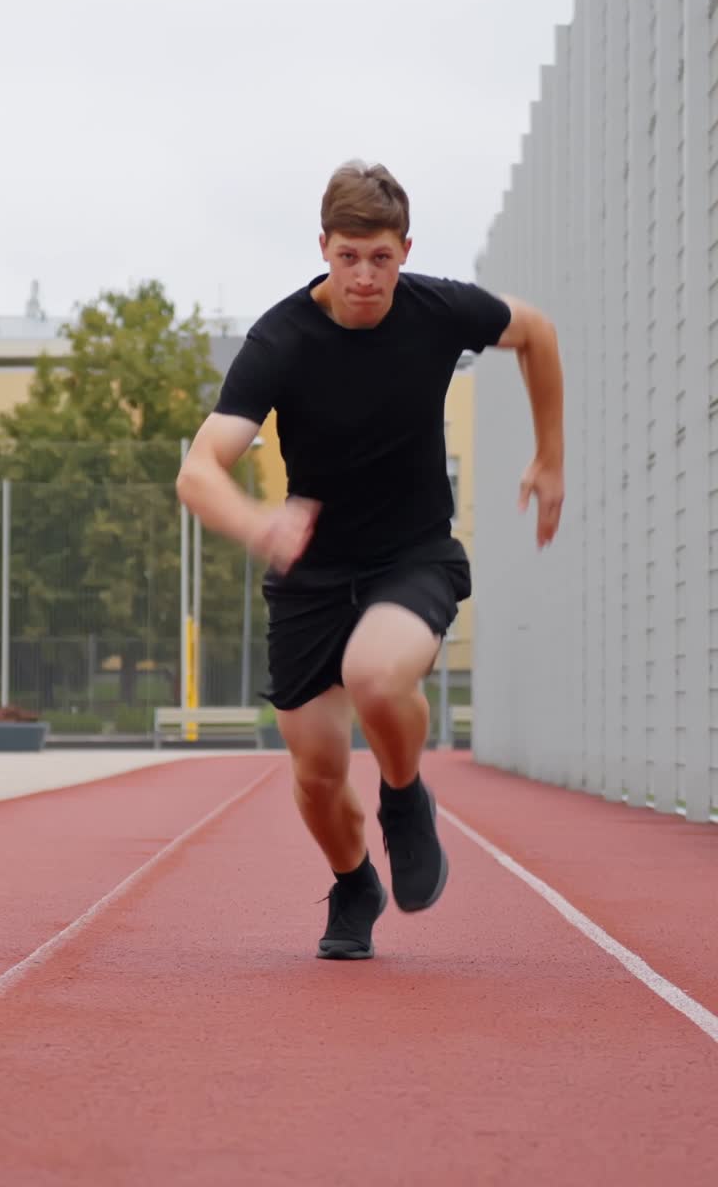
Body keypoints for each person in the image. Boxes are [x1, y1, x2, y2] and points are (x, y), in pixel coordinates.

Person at [177, 161, 564, 960]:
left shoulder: (438, 310)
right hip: (312, 571)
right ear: (324, 247)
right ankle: (354, 881)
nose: (364, 276)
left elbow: (537, 332)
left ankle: (404, 795)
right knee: (317, 773)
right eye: (348, 256)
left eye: (381, 258)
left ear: (405, 250)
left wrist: (550, 455)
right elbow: (198, 469)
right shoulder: (281, 339)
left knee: (378, 676)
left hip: (411, 554)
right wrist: (259, 524)